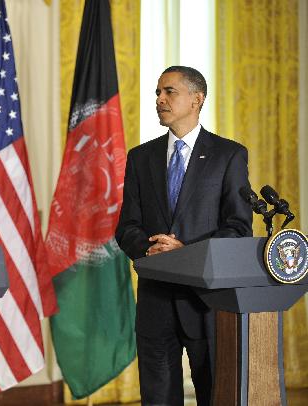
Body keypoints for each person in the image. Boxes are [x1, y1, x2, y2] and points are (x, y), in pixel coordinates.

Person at [115, 66, 253, 406]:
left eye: (169, 92)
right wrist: (151, 251)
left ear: (197, 99)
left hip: (206, 302)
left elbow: (238, 227)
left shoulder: (228, 155)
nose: (159, 99)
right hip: (155, 303)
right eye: (158, 93)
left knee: (214, 395)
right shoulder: (140, 157)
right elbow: (127, 226)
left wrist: (185, 253)